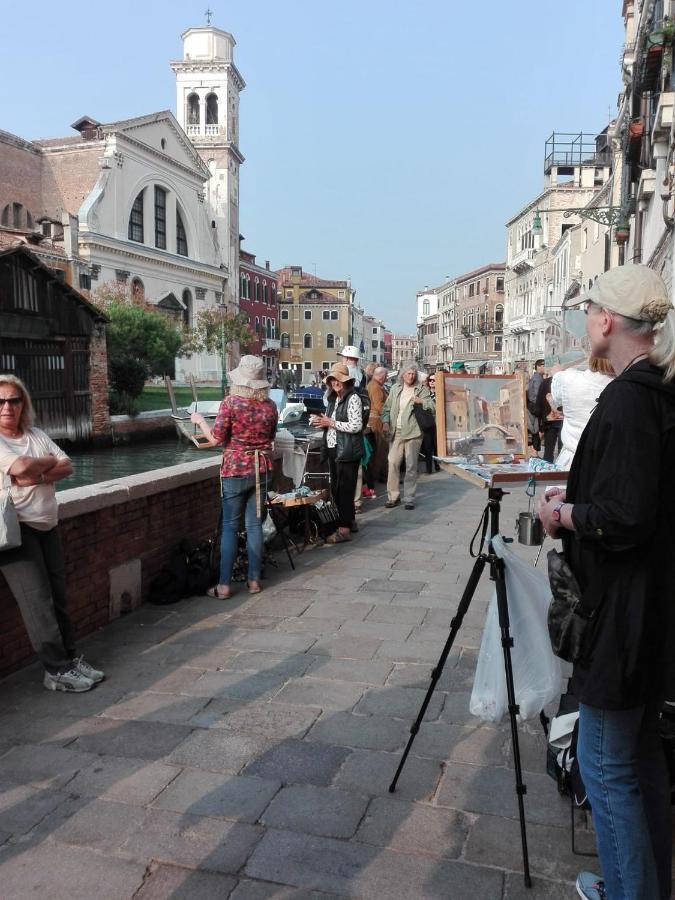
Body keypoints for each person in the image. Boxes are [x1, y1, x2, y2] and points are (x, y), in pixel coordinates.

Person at [537, 265, 675, 900]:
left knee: (604, 765)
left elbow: (623, 518)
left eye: (590, 309)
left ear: (607, 321)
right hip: (650, 607)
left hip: (620, 612)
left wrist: (563, 513)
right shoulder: (656, 392)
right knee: (641, 757)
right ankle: (642, 884)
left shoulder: (626, 400)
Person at [0, 375, 104, 692]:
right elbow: (18, 469)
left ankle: (70, 658)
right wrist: (38, 468)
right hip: (17, 532)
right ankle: (55, 670)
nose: (7, 407)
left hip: (48, 525)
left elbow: (67, 465)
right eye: (1, 401)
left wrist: (34, 471)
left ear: (23, 404)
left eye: (14, 400)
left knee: (59, 597)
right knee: (38, 603)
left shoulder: (35, 434)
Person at [191, 355, 278, 598]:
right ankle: (254, 581)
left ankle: (224, 585)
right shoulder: (270, 406)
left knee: (230, 527)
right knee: (254, 526)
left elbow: (217, 439)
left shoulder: (230, 403)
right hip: (261, 469)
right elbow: (271, 437)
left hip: (235, 470)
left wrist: (199, 422)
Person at [312, 363, 363, 544]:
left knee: (344, 490)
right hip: (335, 448)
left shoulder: (353, 398)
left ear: (346, 380)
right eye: (332, 379)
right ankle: (349, 522)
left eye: (338, 379)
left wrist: (330, 423)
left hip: (348, 450)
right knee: (337, 489)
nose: (335, 383)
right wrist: (322, 421)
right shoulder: (334, 399)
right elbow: (332, 422)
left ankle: (343, 529)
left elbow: (356, 426)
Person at [381, 361, 434, 510]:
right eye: (408, 373)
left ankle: (409, 498)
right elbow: (386, 408)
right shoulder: (395, 389)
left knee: (411, 465)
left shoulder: (420, 389)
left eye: (413, 374)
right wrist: (385, 422)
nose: (411, 376)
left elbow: (432, 406)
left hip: (414, 432)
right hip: (396, 431)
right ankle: (393, 496)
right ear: (403, 375)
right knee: (392, 462)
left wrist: (421, 401)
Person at [550, 357, 614, 470]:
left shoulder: (570, 379)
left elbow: (556, 396)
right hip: (610, 464)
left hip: (572, 462)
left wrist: (557, 372)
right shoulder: (629, 385)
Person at [366, 366, 389, 486]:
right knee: (382, 449)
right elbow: (380, 407)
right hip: (377, 421)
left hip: (373, 421)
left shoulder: (372, 385)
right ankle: (382, 476)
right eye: (386, 376)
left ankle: (379, 475)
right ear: (381, 376)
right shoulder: (376, 387)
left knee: (378, 451)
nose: (386, 378)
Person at [535, 370, 563, 463]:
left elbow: (538, 403)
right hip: (561, 421)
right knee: (561, 450)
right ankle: (560, 471)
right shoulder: (566, 383)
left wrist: (540, 422)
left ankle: (547, 471)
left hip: (550, 421)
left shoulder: (545, 382)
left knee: (549, 450)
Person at [420, 372, 440, 474]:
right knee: (428, 446)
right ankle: (428, 468)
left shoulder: (440, 393)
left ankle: (437, 464)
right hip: (428, 422)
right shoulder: (425, 393)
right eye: (430, 380)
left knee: (437, 446)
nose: (432, 382)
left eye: (434, 380)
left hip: (438, 422)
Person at [526, 358, 545, 451]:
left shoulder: (534, 377)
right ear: (538, 366)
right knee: (536, 430)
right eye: (543, 365)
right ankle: (535, 452)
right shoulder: (538, 378)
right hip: (535, 407)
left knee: (534, 429)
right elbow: (538, 395)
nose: (545, 367)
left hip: (532, 406)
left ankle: (533, 451)